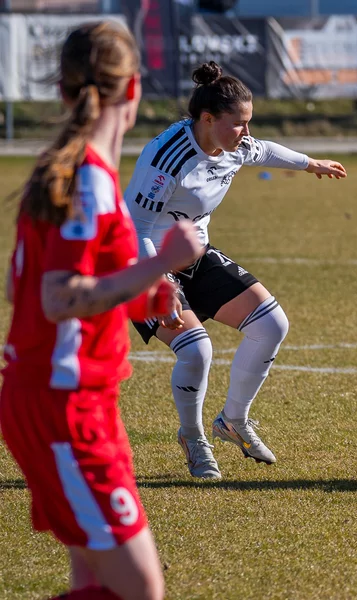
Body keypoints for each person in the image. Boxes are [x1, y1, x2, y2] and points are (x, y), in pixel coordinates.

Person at [0, 22, 205, 600]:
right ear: (134, 88)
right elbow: (58, 298)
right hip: (64, 405)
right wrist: (160, 261)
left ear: (62, 91)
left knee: (96, 582)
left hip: (71, 400)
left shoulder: (65, 170)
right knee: (140, 589)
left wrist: (142, 293)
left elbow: (24, 290)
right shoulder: (87, 179)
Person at [123, 61, 347, 480]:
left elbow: (266, 150)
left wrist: (310, 163)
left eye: (249, 122)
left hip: (195, 256)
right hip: (142, 260)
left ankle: (233, 421)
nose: (246, 132)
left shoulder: (235, 146)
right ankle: (193, 437)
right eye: (238, 123)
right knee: (196, 351)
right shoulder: (167, 157)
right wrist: (159, 284)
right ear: (207, 119)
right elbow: (134, 227)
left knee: (271, 325)